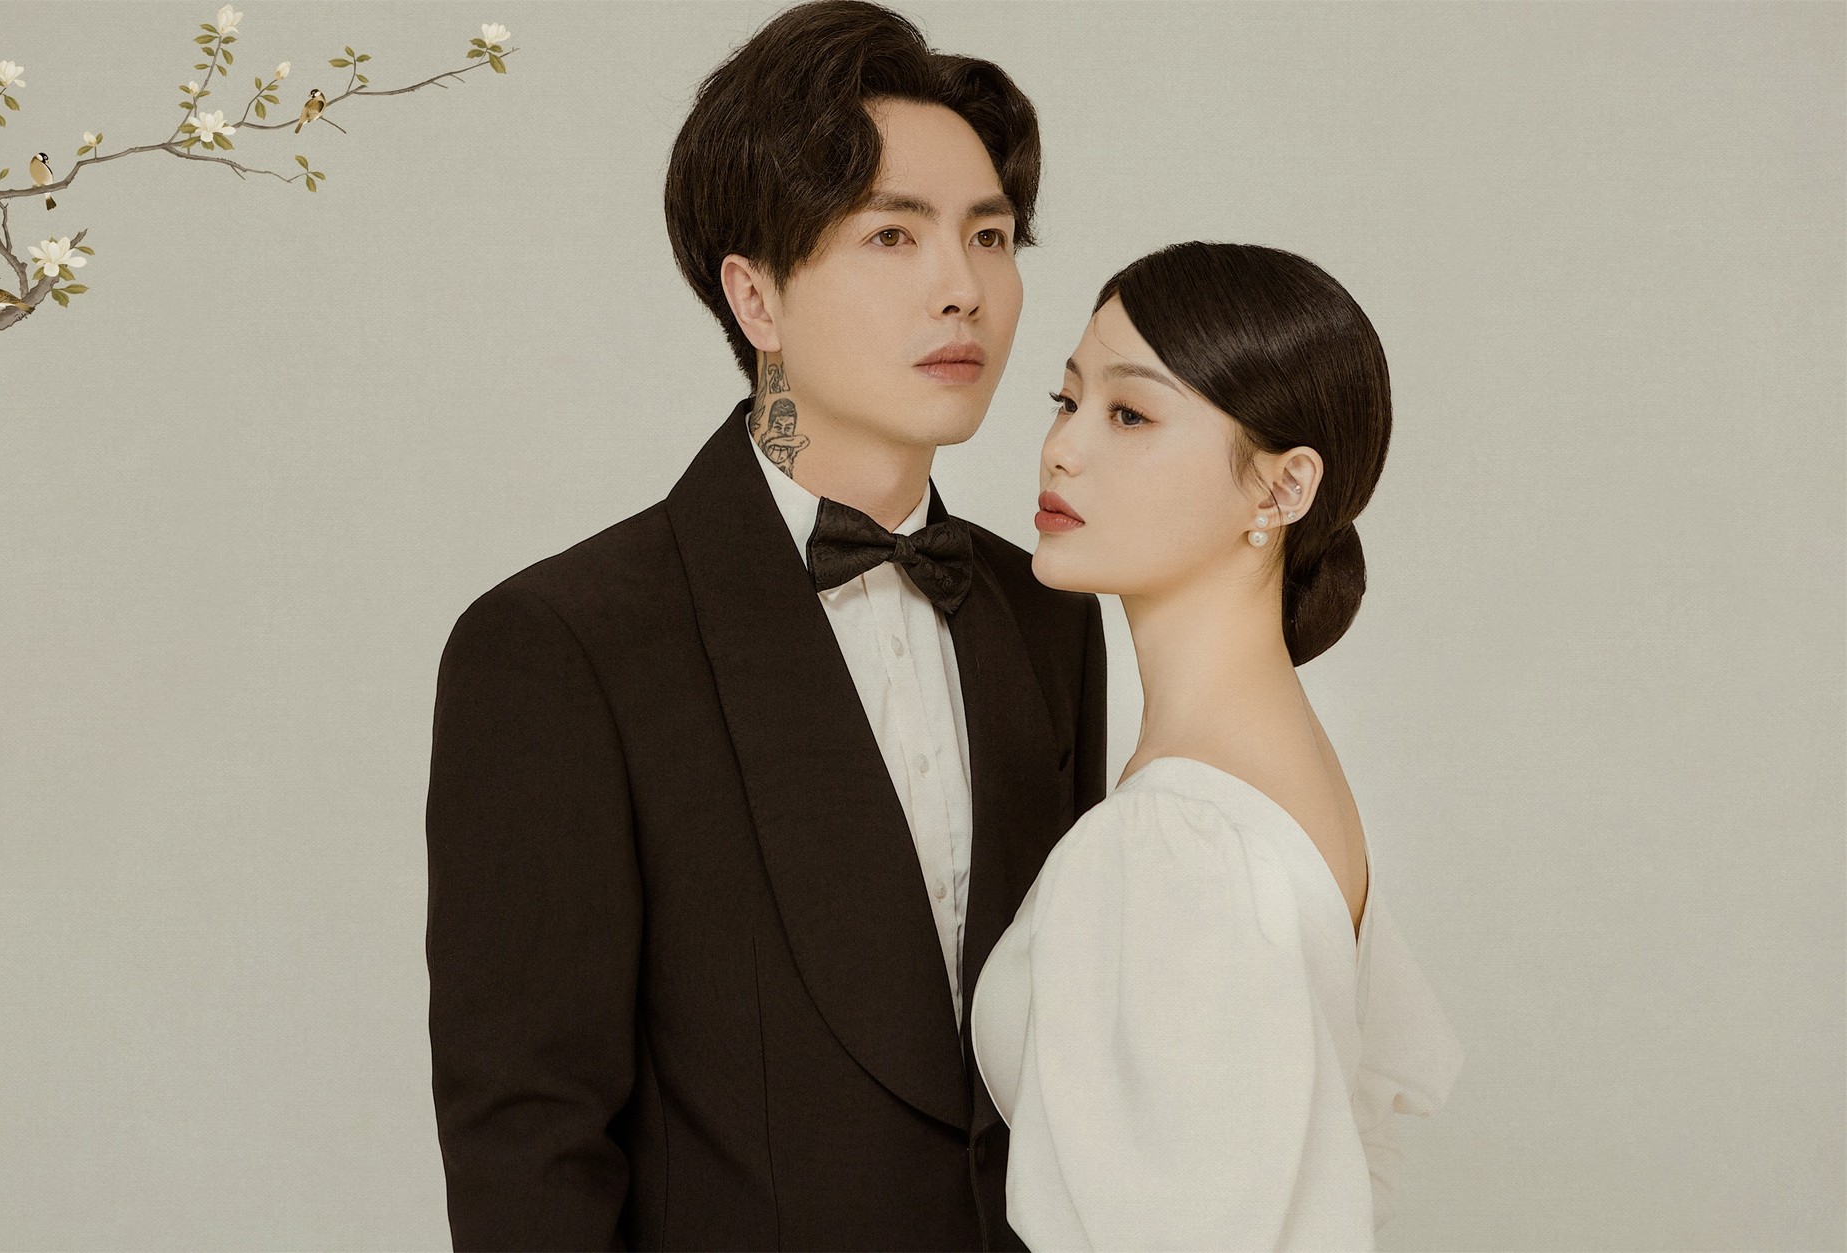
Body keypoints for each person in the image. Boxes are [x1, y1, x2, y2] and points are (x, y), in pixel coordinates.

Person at [424, 3, 1106, 1249]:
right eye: (891, 235)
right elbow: (527, 1143)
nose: (961, 288)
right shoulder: (562, 645)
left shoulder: (1044, 608)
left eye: (989, 235)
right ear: (756, 297)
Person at [971, 242, 1463, 1250]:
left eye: (1129, 414)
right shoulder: (1274, 774)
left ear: (1280, 490)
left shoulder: (1180, 837)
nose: (1061, 448)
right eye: (1066, 400)